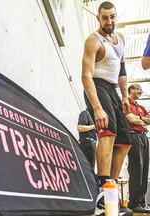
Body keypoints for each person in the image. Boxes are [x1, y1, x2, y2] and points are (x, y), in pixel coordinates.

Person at [81, 1, 133, 215]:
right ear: (98, 18)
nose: (109, 21)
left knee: (125, 142)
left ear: (115, 16)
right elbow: (85, 75)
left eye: (112, 16)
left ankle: (110, 192)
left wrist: (124, 96)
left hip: (113, 89)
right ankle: (103, 193)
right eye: (104, 17)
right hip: (97, 86)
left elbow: (121, 71)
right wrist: (97, 107)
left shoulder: (120, 39)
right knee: (108, 134)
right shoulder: (93, 41)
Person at [125, 84, 150, 213]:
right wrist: (141, 120)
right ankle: (134, 203)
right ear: (131, 90)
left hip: (144, 136)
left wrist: (139, 118)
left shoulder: (140, 107)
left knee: (145, 169)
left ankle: (141, 202)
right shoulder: (125, 103)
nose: (140, 92)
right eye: (137, 89)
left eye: (141, 90)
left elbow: (148, 120)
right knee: (137, 169)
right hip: (133, 136)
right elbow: (131, 120)